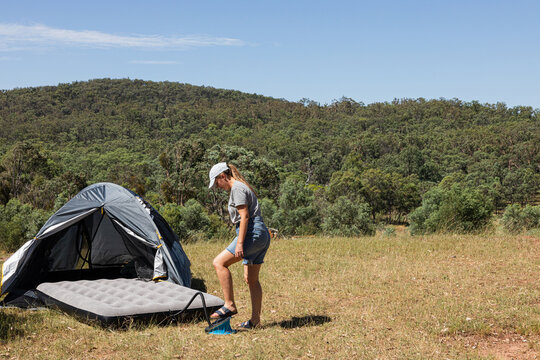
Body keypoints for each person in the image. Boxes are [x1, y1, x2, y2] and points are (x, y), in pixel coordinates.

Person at [208, 162, 270, 329]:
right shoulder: (242, 186)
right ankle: (255, 321)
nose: (217, 187)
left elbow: (245, 217)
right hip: (262, 235)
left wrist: (240, 244)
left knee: (219, 263)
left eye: (216, 183)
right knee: (252, 280)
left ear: (223, 176)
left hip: (251, 233)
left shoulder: (237, 188)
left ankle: (229, 304)